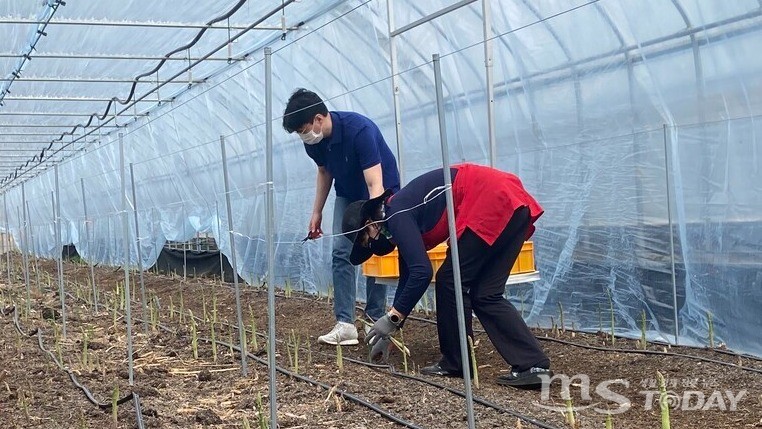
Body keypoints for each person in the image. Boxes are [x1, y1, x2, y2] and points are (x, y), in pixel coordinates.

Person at [343, 163, 552, 388]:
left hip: (490, 200)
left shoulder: (396, 213)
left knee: (450, 281)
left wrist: (391, 318)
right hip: (511, 203)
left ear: (370, 223)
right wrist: (393, 329)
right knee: (486, 294)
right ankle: (533, 366)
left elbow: (422, 273)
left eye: (366, 240)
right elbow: (409, 278)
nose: (373, 246)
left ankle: (457, 362)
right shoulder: (400, 216)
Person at [283, 88, 400, 345]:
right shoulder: (314, 144)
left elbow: (374, 182)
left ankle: (374, 318)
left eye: (303, 130)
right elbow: (325, 173)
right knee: (340, 251)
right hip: (347, 194)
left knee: (374, 248)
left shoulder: (359, 130)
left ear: (318, 119)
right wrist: (317, 212)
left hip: (380, 191)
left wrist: (374, 220)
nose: (303, 136)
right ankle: (346, 324)